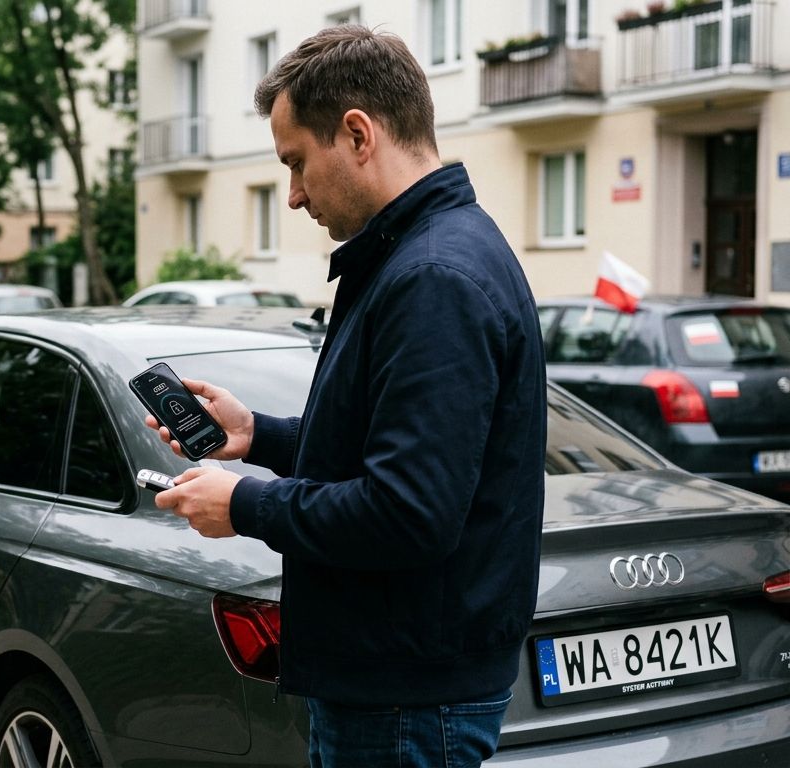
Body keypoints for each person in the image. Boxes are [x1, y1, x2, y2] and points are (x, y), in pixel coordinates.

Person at [145, 25, 546, 768]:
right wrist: (256, 435)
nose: (293, 196)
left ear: (358, 134)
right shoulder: (421, 255)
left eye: (297, 163)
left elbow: (408, 513)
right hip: (402, 686)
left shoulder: (434, 279)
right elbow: (385, 446)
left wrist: (244, 506)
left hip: (403, 700)